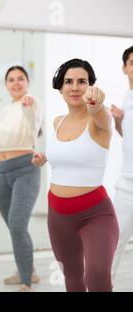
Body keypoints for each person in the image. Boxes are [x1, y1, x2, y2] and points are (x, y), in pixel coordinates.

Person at [32, 59, 118, 292]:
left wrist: (96, 105)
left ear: (91, 86)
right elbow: (68, 153)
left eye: (82, 81)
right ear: (60, 88)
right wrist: (45, 157)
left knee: (97, 275)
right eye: (68, 82)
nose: (75, 87)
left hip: (95, 214)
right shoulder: (58, 122)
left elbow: (100, 115)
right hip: (58, 216)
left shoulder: (100, 119)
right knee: (71, 277)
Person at [0, 66, 42, 292]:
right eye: (11, 80)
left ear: (27, 82)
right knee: (14, 227)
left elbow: (33, 119)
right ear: (6, 84)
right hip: (0, 170)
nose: (16, 83)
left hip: (25, 169)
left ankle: (26, 280)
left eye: (20, 79)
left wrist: (28, 104)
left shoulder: (33, 102)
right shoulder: (5, 110)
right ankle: (30, 270)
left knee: (17, 225)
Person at [110, 45, 133, 282]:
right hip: (127, 183)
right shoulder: (127, 98)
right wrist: (119, 121)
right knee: (113, 240)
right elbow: (128, 137)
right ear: (124, 68)